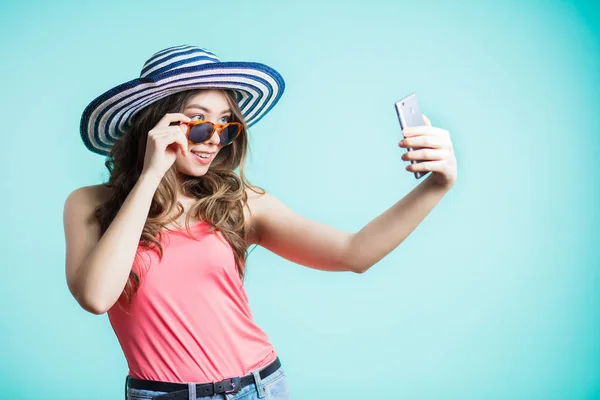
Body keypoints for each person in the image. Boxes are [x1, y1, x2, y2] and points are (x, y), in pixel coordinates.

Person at [63, 44, 457, 400]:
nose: (214, 139)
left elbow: (354, 253)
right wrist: (150, 177)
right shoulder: (92, 204)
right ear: (155, 123)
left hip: (258, 388)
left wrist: (437, 186)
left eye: (225, 125)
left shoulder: (239, 202)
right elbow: (96, 297)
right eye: (199, 122)